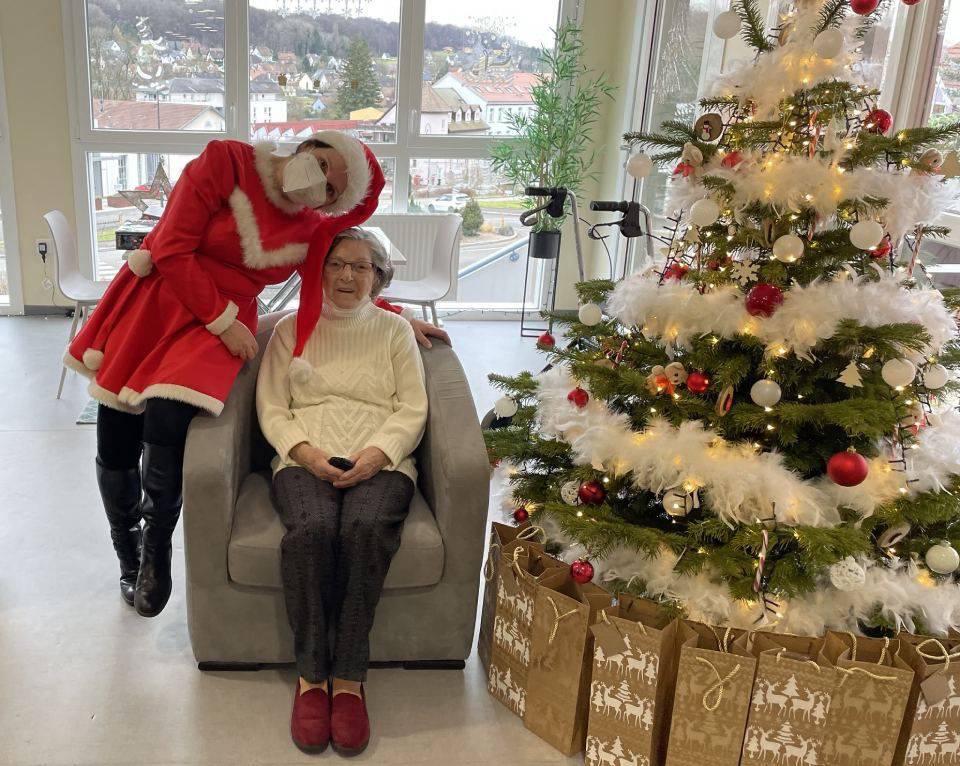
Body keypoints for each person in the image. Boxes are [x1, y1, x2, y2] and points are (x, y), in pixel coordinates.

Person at [64, 133, 448, 617]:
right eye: (323, 163)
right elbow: (172, 247)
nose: (319, 182)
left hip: (213, 332)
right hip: (161, 303)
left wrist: (397, 317)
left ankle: (156, 550)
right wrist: (222, 320)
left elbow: (336, 282)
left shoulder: (310, 228)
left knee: (168, 416)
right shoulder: (226, 161)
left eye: (332, 190)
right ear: (308, 145)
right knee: (116, 433)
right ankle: (128, 552)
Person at [256, 227, 428, 756]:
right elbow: (272, 407)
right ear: (319, 272)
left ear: (378, 276)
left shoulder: (395, 332)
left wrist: (377, 453)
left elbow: (413, 408)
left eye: (361, 266)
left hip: (382, 459)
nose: (347, 275)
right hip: (304, 457)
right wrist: (305, 452)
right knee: (310, 531)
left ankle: (349, 680)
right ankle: (311, 678)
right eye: (336, 264)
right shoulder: (290, 329)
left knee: (364, 528)